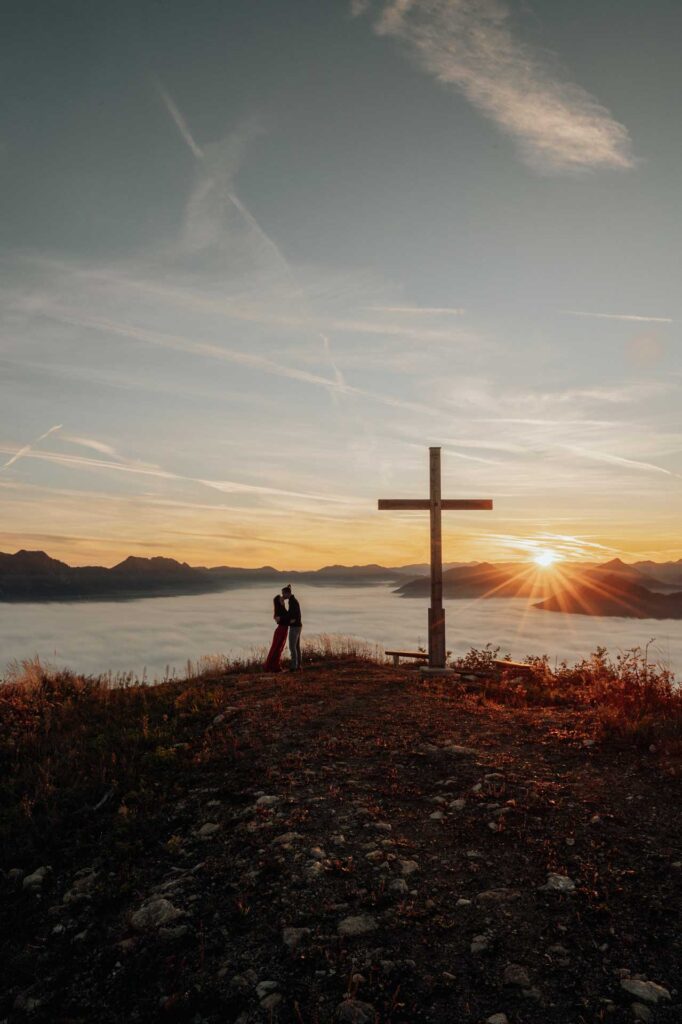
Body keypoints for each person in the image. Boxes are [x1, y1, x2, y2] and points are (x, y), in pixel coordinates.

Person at [264, 593, 289, 672]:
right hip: (281, 630)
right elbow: (279, 619)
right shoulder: (279, 610)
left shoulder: (282, 608)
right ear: (278, 602)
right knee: (276, 649)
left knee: (279, 649)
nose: (282, 600)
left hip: (283, 630)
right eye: (281, 599)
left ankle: (275, 666)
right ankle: (271, 666)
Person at [282, 584, 302, 671]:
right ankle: (298, 665)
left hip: (295, 627)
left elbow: (294, 615)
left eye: (283, 594)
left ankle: (294, 666)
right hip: (298, 626)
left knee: (292, 646)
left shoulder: (292, 601)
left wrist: (290, 621)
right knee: (296, 646)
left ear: (287, 593)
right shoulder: (293, 600)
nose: (283, 596)